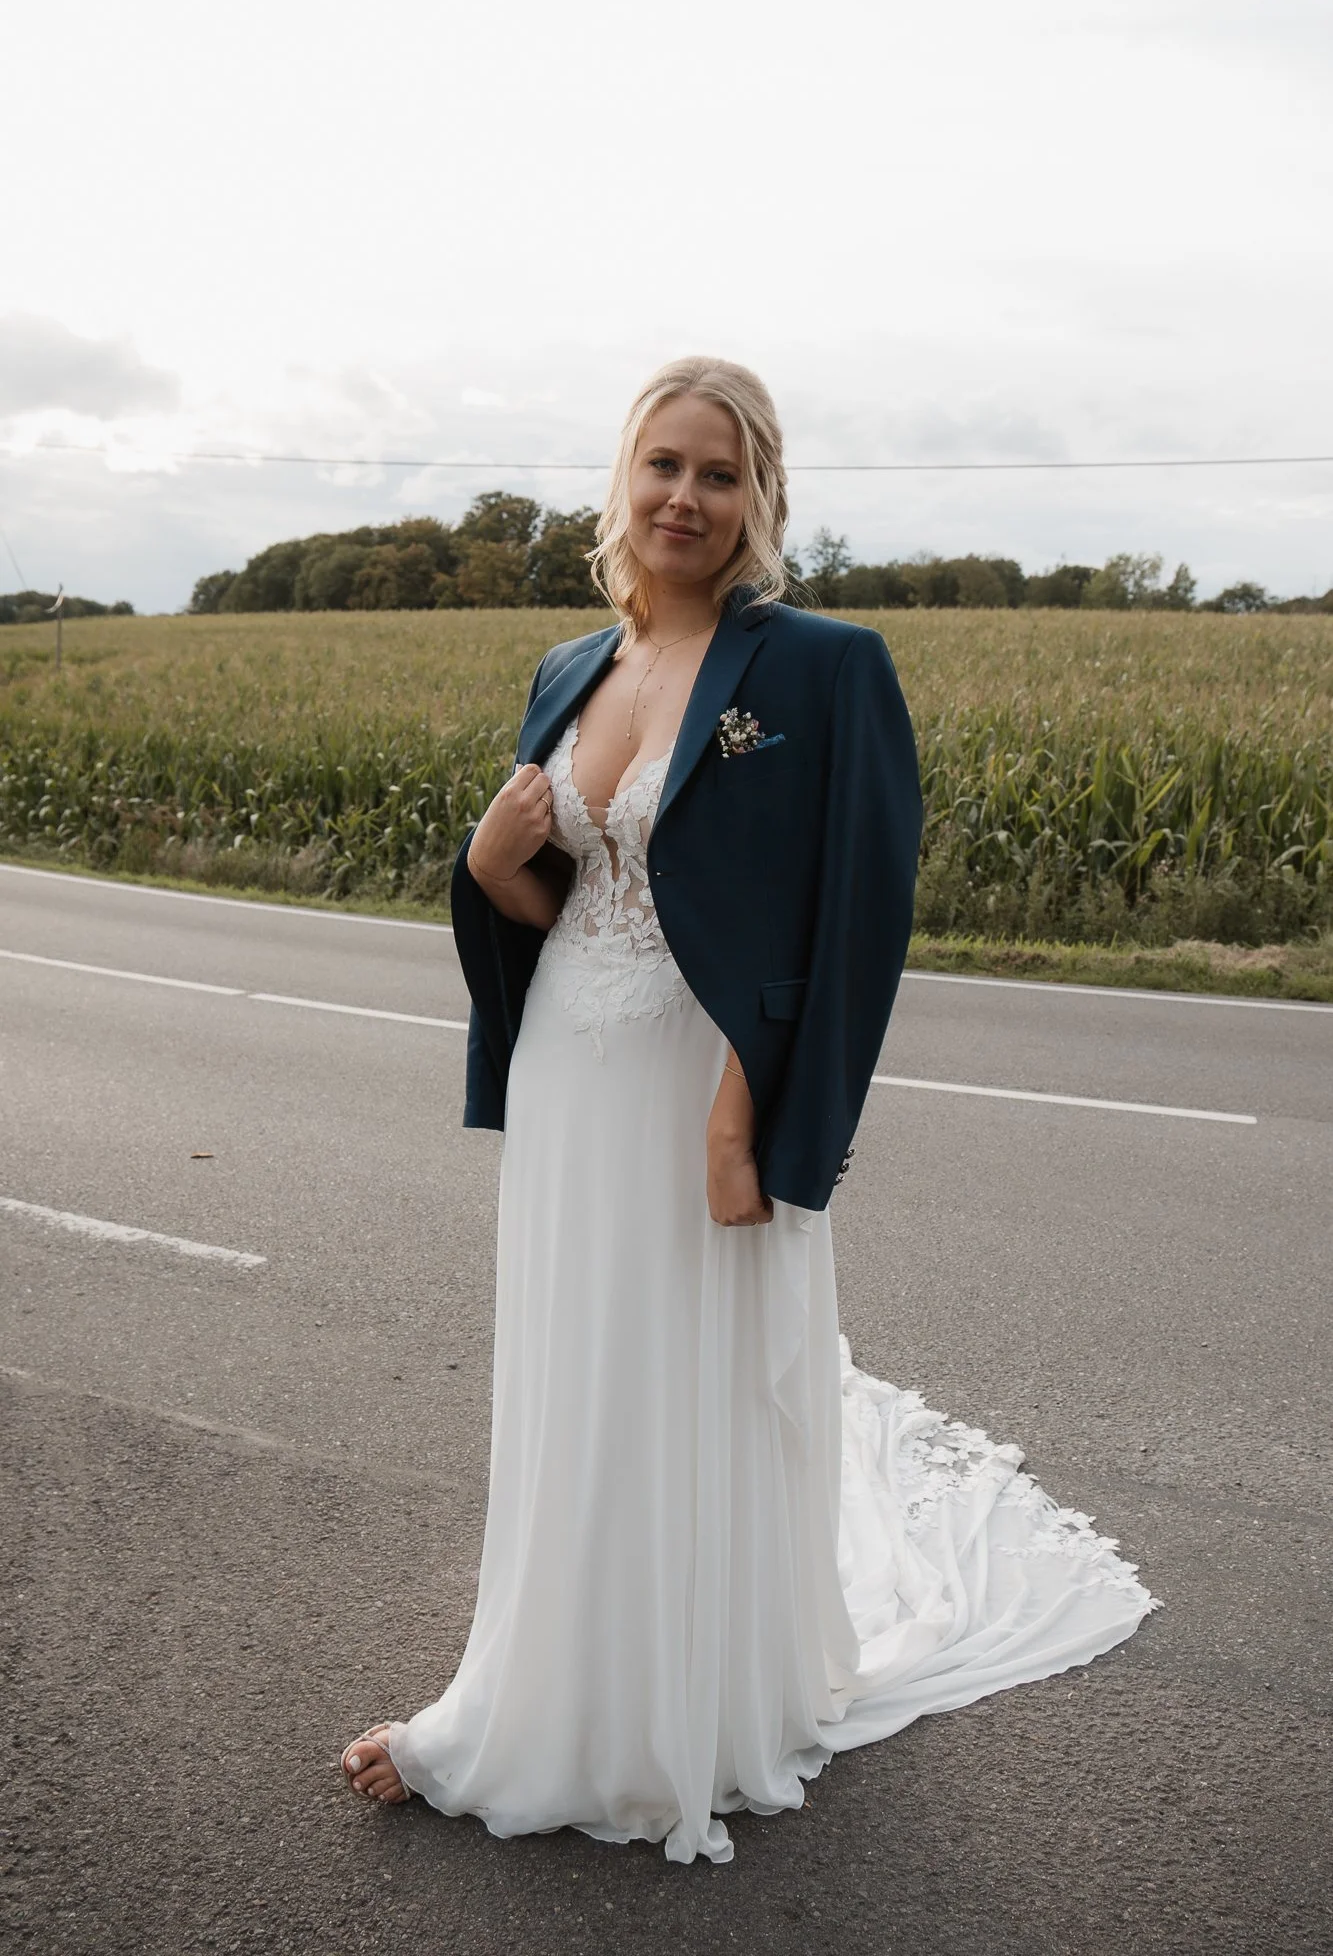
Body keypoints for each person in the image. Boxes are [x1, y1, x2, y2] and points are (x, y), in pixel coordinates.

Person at [339, 356, 1159, 1865]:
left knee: (685, 1388)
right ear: (624, 478)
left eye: (720, 474)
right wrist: (488, 866)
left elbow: (846, 922)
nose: (686, 497)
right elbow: (573, 895)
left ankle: (686, 1711)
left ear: (760, 497)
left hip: (697, 1088)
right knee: (580, 1387)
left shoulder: (824, 669)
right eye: (663, 465)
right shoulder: (570, 667)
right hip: (568, 1079)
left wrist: (749, 1120)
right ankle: (540, 1692)